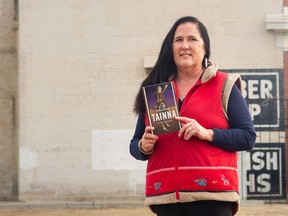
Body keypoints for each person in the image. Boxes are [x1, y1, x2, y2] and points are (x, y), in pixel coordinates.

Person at [130, 16, 256, 216]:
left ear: (205, 48)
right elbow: (135, 145)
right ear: (170, 48)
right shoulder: (156, 91)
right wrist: (143, 146)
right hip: (166, 198)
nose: (184, 45)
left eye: (192, 39)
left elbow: (248, 137)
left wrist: (208, 133)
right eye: (178, 40)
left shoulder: (225, 85)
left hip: (213, 198)